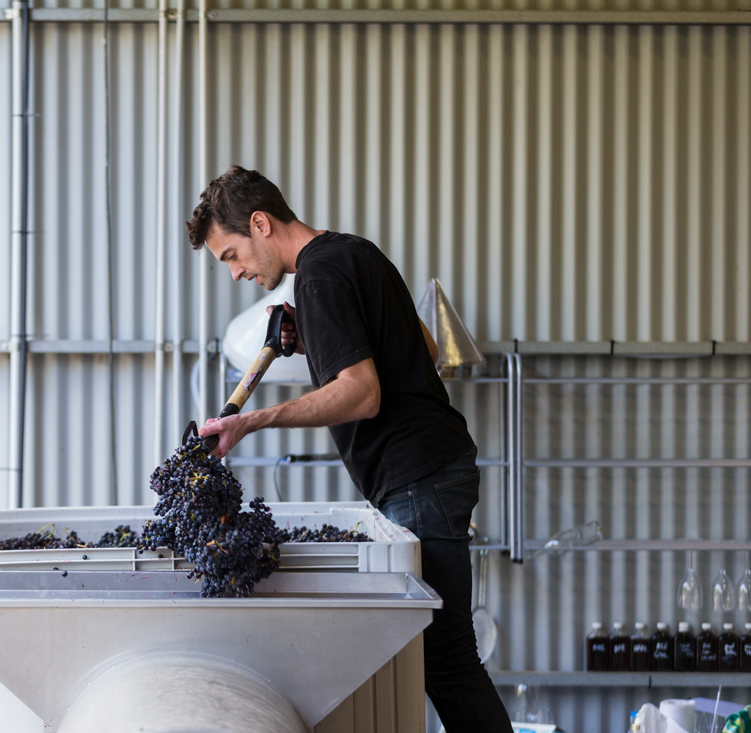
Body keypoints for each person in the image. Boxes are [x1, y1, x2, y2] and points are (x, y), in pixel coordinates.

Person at [185, 165, 512, 733]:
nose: (235, 272)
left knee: (448, 661)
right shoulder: (353, 253)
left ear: (260, 223)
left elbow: (361, 395)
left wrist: (252, 422)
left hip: (420, 478)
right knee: (442, 657)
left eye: (231, 255)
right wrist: (312, 333)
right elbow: (425, 345)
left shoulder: (317, 278)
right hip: (434, 470)